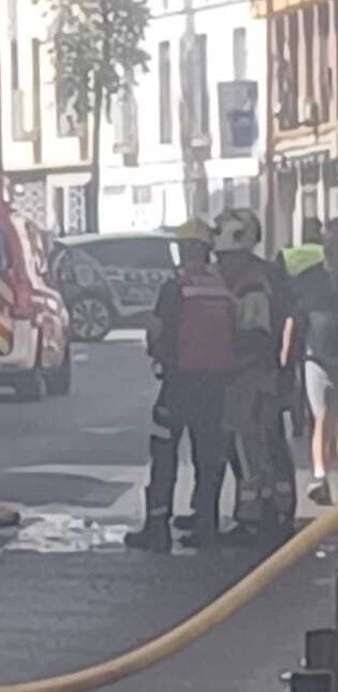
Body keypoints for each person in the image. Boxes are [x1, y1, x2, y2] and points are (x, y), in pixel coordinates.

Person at [127, 221, 233, 552]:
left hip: (178, 383)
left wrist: (156, 352)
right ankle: (206, 525)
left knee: (164, 451)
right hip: (215, 384)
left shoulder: (175, 287)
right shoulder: (222, 287)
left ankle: (157, 526)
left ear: (185, 249)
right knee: (208, 455)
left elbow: (157, 331)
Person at [214, 207, 297, 537]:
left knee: (253, 445)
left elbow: (256, 338)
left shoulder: (252, 285)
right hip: (261, 376)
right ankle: (274, 510)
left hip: (254, 377)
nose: (220, 264)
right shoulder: (260, 275)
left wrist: (228, 365)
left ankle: (259, 516)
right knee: (263, 443)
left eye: (225, 258)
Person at [290, 219, 338, 507]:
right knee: (321, 416)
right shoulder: (310, 279)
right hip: (316, 358)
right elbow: (294, 317)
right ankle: (320, 477)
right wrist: (287, 354)